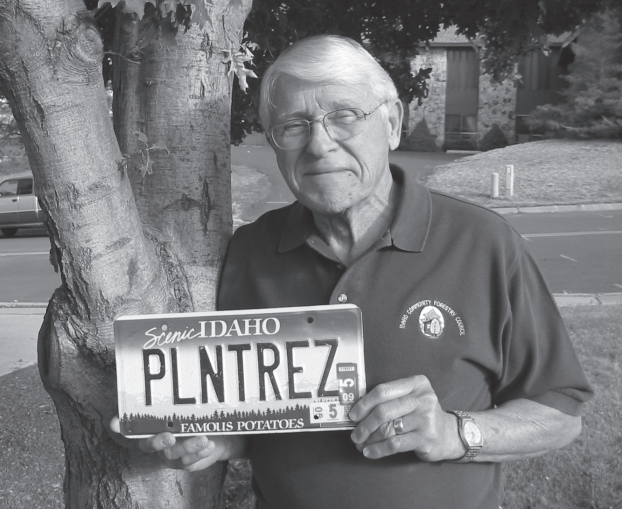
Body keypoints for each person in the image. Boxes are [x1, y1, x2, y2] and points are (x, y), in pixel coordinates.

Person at [133, 35, 593, 509]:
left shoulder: (483, 244)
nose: (319, 144)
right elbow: (259, 419)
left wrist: (455, 431)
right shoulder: (250, 251)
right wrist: (217, 441)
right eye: (292, 126)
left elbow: (560, 410)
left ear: (392, 123)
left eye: (344, 116)